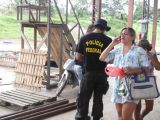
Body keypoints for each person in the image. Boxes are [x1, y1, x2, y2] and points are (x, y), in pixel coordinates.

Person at [99, 27, 150, 120]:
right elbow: (102, 58)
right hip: (118, 85)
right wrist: (112, 43)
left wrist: (134, 70)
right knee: (120, 116)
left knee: (126, 117)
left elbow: (147, 69)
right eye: (121, 33)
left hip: (133, 86)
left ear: (132, 36)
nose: (122, 35)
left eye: (125, 34)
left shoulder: (139, 51)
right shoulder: (118, 50)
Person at [75, 19, 112, 120]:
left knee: (84, 97)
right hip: (102, 74)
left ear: (95, 27)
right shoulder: (108, 40)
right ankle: (96, 117)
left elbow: (78, 57)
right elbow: (110, 59)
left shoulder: (84, 38)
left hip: (88, 73)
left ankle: (82, 116)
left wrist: (87, 59)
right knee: (98, 97)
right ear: (104, 29)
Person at [134, 39, 160, 120]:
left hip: (149, 82)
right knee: (137, 106)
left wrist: (153, 56)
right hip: (136, 81)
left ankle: (141, 117)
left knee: (149, 107)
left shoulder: (151, 54)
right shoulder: (134, 54)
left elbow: (158, 67)